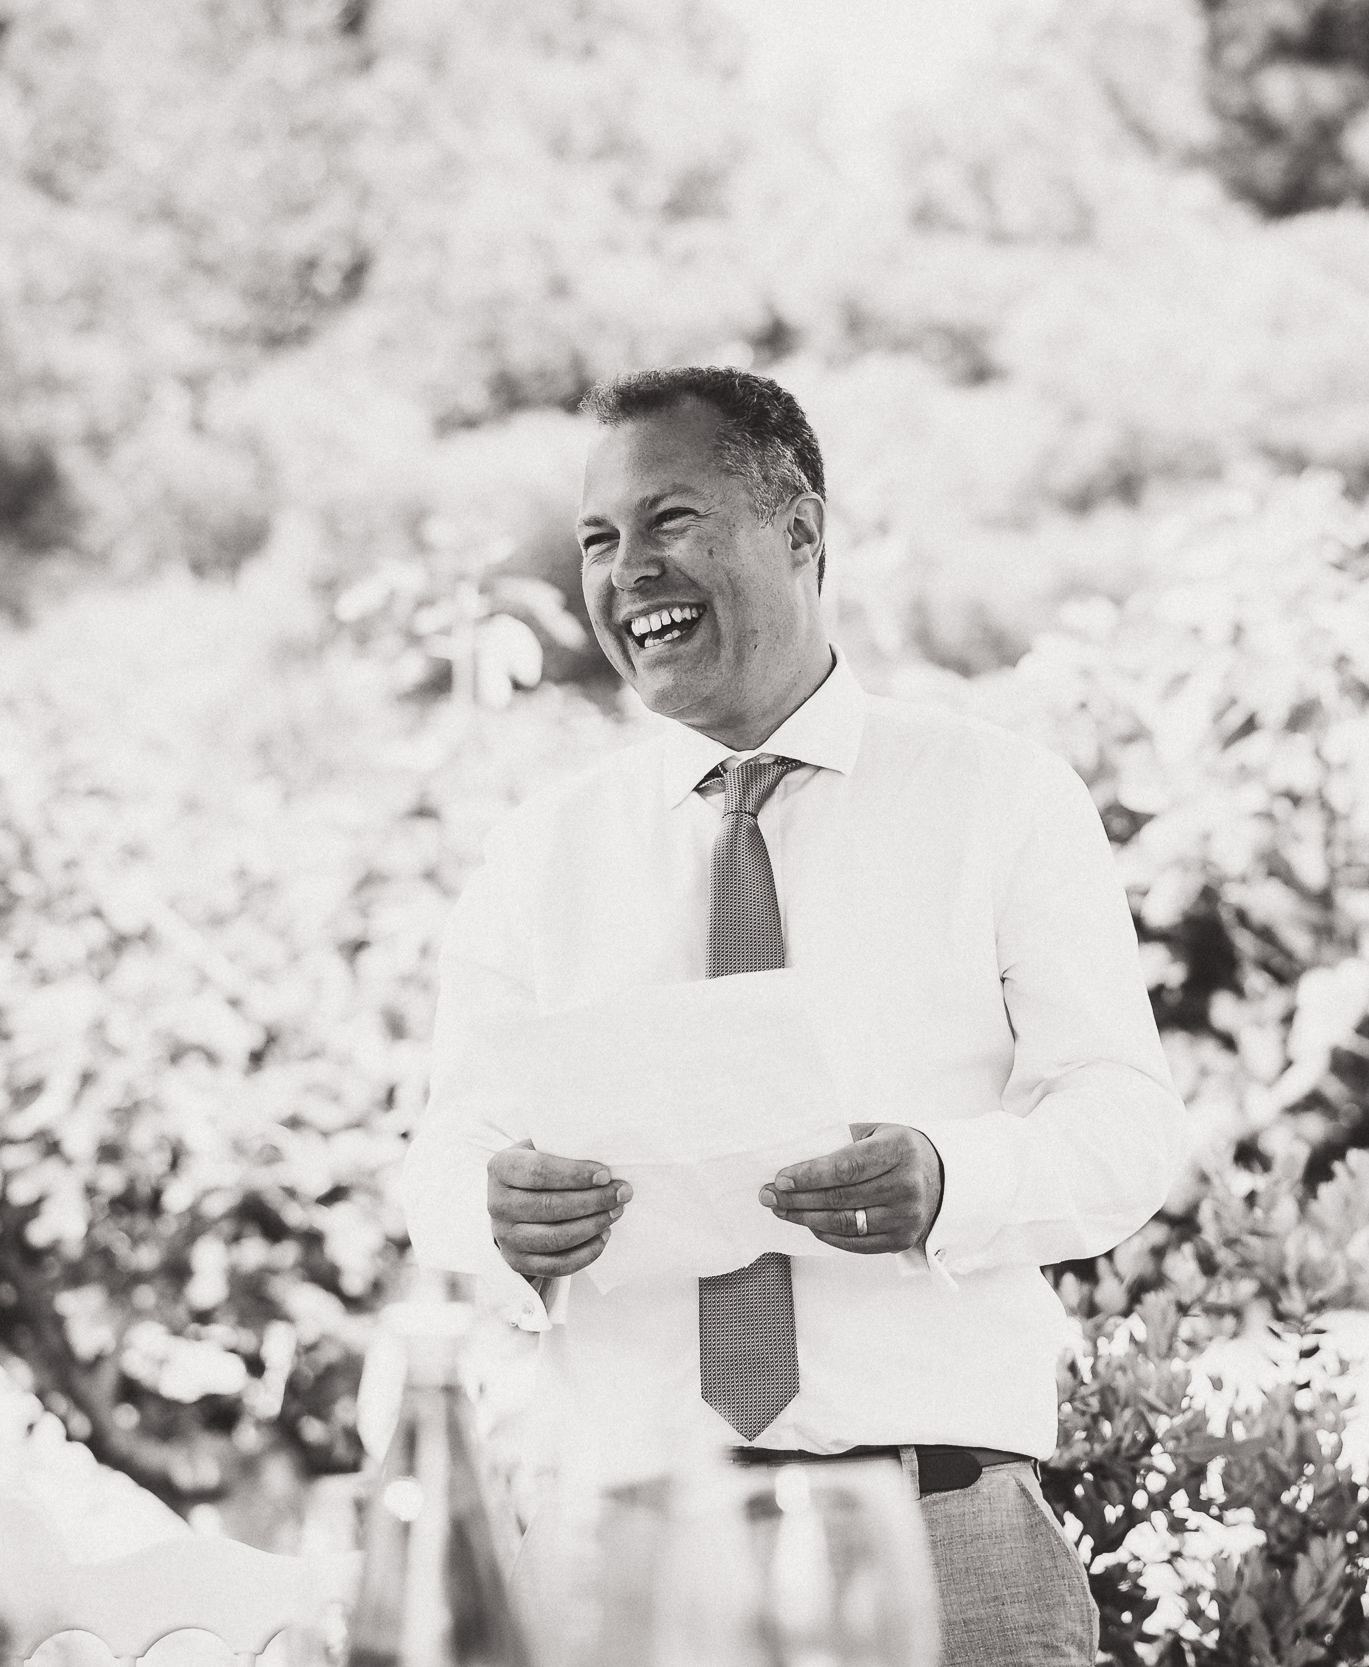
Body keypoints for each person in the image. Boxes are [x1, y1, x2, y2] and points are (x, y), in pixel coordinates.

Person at [398, 364, 1185, 1665]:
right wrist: (499, 1218)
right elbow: (441, 1167)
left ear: (803, 531)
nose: (627, 571)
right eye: (599, 539)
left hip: (942, 1539)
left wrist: (952, 1179)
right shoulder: (544, 851)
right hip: (630, 1557)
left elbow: (1126, 1126)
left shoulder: (1002, 797)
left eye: (672, 522)